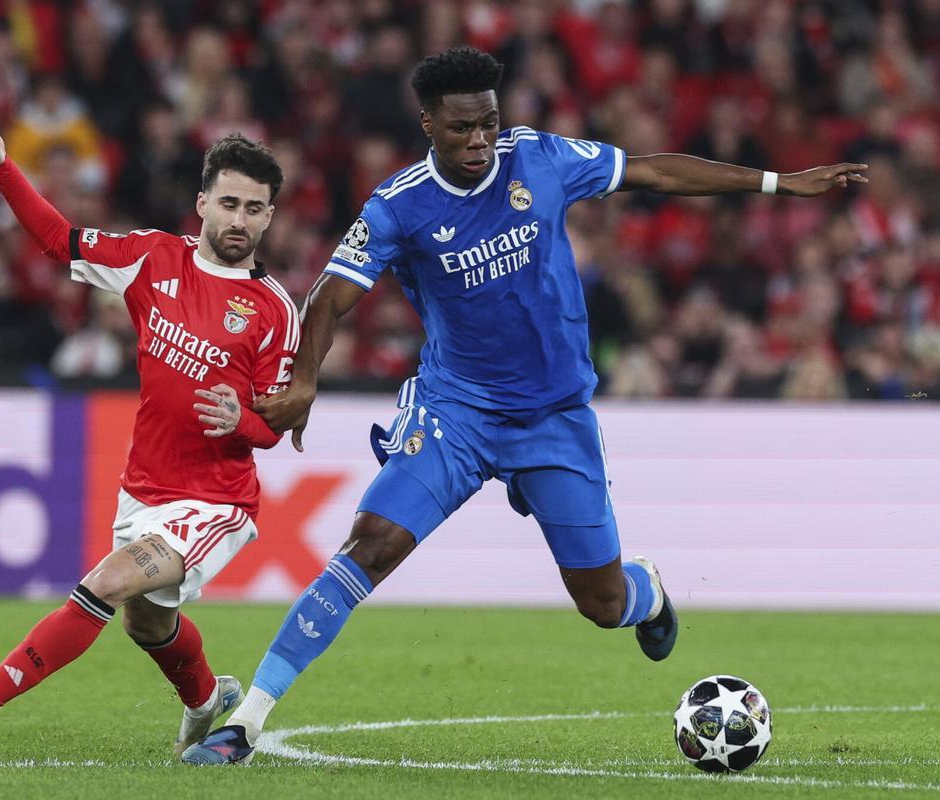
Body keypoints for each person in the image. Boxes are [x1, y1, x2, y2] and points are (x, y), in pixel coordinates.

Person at [181, 47, 867, 765]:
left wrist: (778, 183)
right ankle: (247, 722)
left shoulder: (539, 158)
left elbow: (654, 170)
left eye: (488, 124)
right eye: (461, 129)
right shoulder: (399, 205)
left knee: (602, 604)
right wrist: (307, 380)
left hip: (554, 419)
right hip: (458, 413)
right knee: (370, 545)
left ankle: (648, 591)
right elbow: (330, 295)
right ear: (428, 125)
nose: (479, 141)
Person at [0, 98, 300, 757]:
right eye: (229, 203)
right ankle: (207, 701)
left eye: (255, 208)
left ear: (270, 216)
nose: (241, 219)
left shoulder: (272, 310)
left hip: (215, 501)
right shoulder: (151, 258)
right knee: (148, 624)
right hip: (143, 489)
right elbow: (59, 239)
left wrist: (247, 420)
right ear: (202, 203)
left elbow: (277, 425)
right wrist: (2, 168)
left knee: (106, 584)